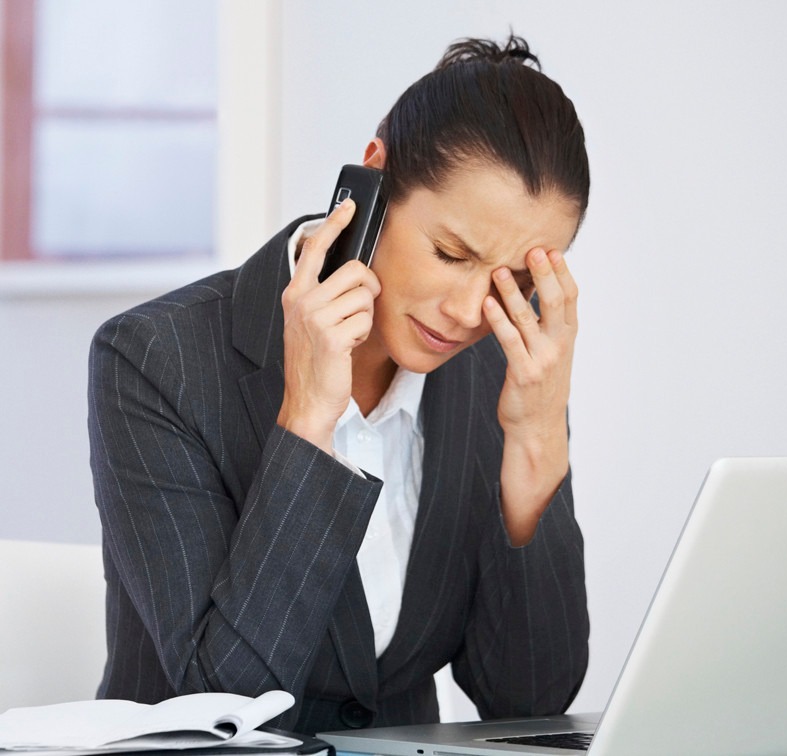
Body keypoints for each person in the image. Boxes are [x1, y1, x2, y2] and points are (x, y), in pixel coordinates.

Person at [87, 35, 589, 735]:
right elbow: (225, 709)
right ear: (373, 179)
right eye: (450, 253)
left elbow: (530, 700)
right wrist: (309, 421)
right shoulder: (155, 360)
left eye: (518, 281)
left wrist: (536, 443)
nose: (474, 312)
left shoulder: (498, 380)